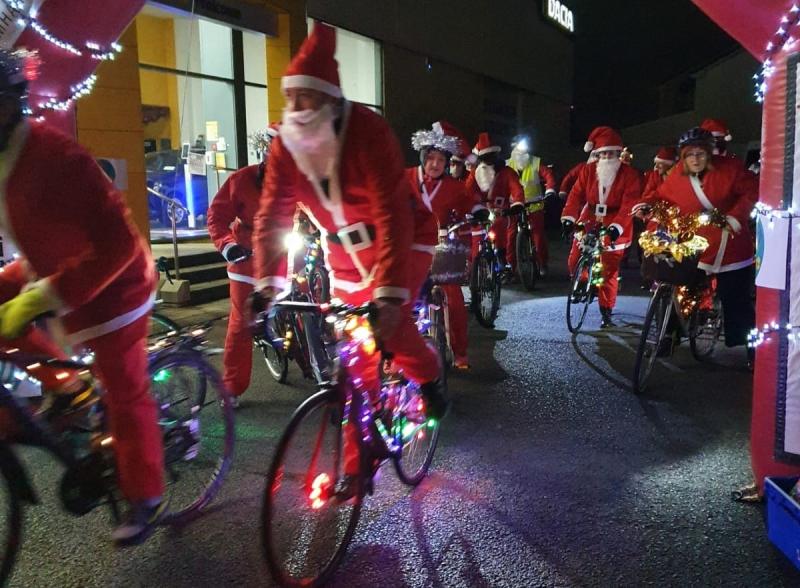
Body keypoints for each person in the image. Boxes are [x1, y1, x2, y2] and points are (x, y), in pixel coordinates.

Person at [250, 23, 445, 497]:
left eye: (306, 101)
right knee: (354, 362)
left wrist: (388, 296)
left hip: (403, 238)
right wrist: (265, 286)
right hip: (341, 252)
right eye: (290, 101)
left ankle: (430, 376)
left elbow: (393, 215)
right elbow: (272, 213)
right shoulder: (286, 145)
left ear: (331, 102)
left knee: (391, 328)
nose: (296, 112)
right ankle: (358, 469)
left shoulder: (370, 132)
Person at [0, 50, 164, 546]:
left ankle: (145, 496)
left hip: (116, 287)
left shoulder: (57, 157)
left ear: (13, 104)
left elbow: (116, 243)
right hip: (52, 270)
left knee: (123, 387)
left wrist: (41, 296)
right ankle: (70, 387)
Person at [652, 127, 757, 348]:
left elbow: (751, 191)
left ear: (709, 154)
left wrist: (735, 217)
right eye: (690, 154)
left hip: (731, 245)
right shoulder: (676, 177)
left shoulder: (730, 169)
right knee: (678, 288)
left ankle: (749, 348)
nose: (695, 159)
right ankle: (668, 337)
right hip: (696, 246)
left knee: (736, 298)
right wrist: (647, 206)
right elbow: (661, 196)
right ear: (683, 157)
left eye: (700, 154)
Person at [207, 126, 279, 407]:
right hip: (246, 257)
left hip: (283, 252)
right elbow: (217, 215)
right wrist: (228, 245)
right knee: (241, 323)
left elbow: (314, 206)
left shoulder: (296, 180)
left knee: (312, 304)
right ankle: (232, 387)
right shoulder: (242, 179)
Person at [408, 122, 486, 369]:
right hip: (411, 247)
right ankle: (397, 354)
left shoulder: (454, 187)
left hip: (444, 244)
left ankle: (460, 353)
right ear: (423, 158)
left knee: (452, 296)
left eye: (441, 160)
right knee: (401, 297)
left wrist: (478, 211)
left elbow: (469, 202)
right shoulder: (405, 178)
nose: (435, 164)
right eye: (430, 158)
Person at [561, 126, 642, 328]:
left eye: (611, 153)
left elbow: (629, 203)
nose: (607, 157)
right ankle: (582, 281)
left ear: (618, 153)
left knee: (608, 271)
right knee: (575, 257)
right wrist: (568, 218)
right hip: (590, 215)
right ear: (596, 154)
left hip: (616, 218)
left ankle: (606, 310)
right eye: (603, 153)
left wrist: (617, 227)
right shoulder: (588, 171)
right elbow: (575, 195)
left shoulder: (629, 174)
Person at [466, 132, 524, 274]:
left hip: (500, 209)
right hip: (480, 210)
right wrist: (466, 207)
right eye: (484, 158)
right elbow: (466, 192)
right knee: (475, 236)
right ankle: (475, 268)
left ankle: (501, 257)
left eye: (490, 157)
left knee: (500, 231)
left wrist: (517, 204)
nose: (487, 160)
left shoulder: (507, 172)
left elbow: (517, 189)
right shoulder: (475, 173)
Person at [505, 134, 557, 277]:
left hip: (534, 205)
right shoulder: (507, 164)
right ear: (513, 148)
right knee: (510, 236)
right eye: (518, 147)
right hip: (514, 205)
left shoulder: (535, 162)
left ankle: (542, 263)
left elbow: (548, 175)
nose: (521, 151)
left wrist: (550, 190)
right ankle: (511, 267)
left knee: (538, 236)